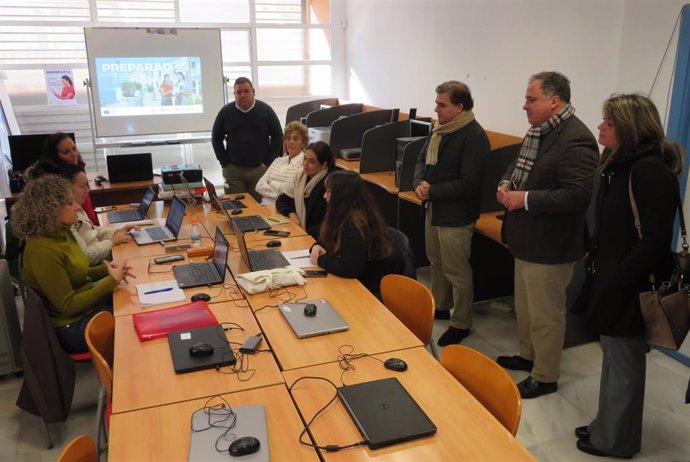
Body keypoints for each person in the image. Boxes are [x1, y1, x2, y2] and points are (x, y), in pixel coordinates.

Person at [571, 94, 682, 458]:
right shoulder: (618, 164)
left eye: (609, 122)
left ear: (630, 129)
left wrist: (618, 280)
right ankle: (607, 423)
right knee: (613, 360)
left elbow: (653, 240)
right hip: (611, 277)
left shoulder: (650, 170)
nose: (601, 126)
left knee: (625, 366)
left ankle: (616, 440)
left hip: (629, 284)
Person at [496, 71, 598, 399]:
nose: (524, 105)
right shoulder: (538, 131)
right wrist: (506, 184)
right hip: (526, 239)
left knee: (546, 315)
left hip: (551, 246)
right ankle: (528, 356)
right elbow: (516, 167)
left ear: (554, 101)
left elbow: (578, 195)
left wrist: (524, 198)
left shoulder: (576, 138)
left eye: (531, 99)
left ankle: (545, 375)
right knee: (526, 309)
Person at [10, 175, 135, 354]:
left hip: (84, 309)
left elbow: (77, 272)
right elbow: (68, 305)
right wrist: (111, 281)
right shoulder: (43, 251)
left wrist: (107, 270)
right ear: (50, 210)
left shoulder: (63, 231)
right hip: (71, 325)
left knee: (132, 298)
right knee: (130, 321)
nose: (77, 206)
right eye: (70, 203)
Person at [412, 80, 490, 346]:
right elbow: (421, 160)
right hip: (434, 208)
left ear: (459, 107)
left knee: (457, 271)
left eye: (441, 105)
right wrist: (418, 184)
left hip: (456, 215)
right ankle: (442, 306)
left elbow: (470, 183)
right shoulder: (439, 130)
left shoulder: (474, 136)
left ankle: (461, 322)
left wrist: (431, 190)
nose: (436, 109)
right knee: (436, 261)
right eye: (436, 103)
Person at [27, 161, 138, 265]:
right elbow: (85, 256)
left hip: (101, 260)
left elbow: (92, 230)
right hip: (97, 264)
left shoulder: (74, 207)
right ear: (66, 188)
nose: (88, 190)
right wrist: (112, 242)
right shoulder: (64, 219)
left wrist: (117, 232)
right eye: (82, 186)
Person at [310, 170, 398, 296]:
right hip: (353, 281)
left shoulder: (354, 227)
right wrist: (317, 246)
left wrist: (320, 259)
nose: (325, 196)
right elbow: (326, 239)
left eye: (329, 192)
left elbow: (349, 269)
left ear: (341, 196)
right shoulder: (344, 214)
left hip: (366, 289)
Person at [211, 77, 283, 202]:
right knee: (235, 207)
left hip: (259, 171)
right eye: (239, 92)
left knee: (256, 208)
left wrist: (267, 162)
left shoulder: (266, 110)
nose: (242, 95)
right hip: (233, 171)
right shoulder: (225, 112)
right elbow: (216, 138)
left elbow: (278, 137)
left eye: (246, 91)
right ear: (234, 94)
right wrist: (224, 162)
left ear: (253, 92)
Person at [276, 141, 333, 239]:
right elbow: (281, 200)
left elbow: (328, 223)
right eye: (305, 159)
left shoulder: (328, 185)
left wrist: (303, 235)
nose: (305, 164)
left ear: (323, 165)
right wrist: (292, 214)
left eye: (311, 161)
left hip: (316, 238)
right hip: (299, 232)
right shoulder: (300, 176)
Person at [41, 132, 100, 225]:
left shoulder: (78, 169)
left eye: (74, 149)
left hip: (91, 227)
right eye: (66, 152)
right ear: (55, 157)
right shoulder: (54, 187)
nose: (74, 155)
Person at [255, 121, 309, 205]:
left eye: (296, 139)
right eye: (288, 139)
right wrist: (282, 191)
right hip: (264, 206)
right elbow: (259, 186)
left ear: (303, 143)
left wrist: (272, 183)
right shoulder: (278, 161)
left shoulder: (305, 164)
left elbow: (293, 193)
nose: (291, 142)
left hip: (284, 210)